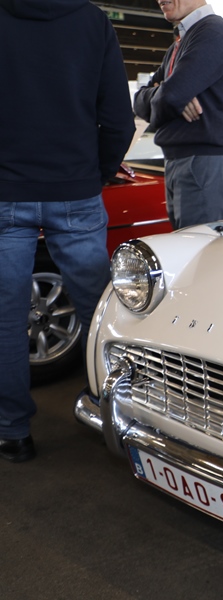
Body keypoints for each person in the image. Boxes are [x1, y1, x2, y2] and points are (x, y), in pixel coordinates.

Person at [0, 0, 135, 462]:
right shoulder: (93, 21)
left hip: (6, 191)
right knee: (104, 312)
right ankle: (116, 413)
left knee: (5, 317)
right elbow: (118, 118)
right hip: (75, 187)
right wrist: (95, 174)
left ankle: (12, 431)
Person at [133, 0, 223, 230]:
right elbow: (140, 100)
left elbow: (170, 96)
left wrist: (169, 94)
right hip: (184, 161)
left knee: (199, 247)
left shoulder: (213, 33)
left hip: (201, 162)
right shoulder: (182, 41)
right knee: (187, 244)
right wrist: (166, 95)